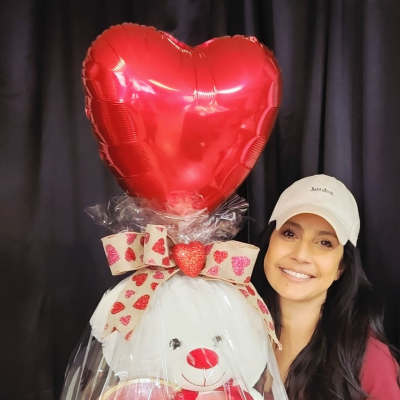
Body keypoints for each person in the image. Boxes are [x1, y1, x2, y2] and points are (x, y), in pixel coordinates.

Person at [254, 174, 400, 399]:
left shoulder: (369, 361)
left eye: (325, 243)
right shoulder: (231, 327)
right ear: (269, 243)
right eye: (289, 233)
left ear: (341, 266)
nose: (301, 255)